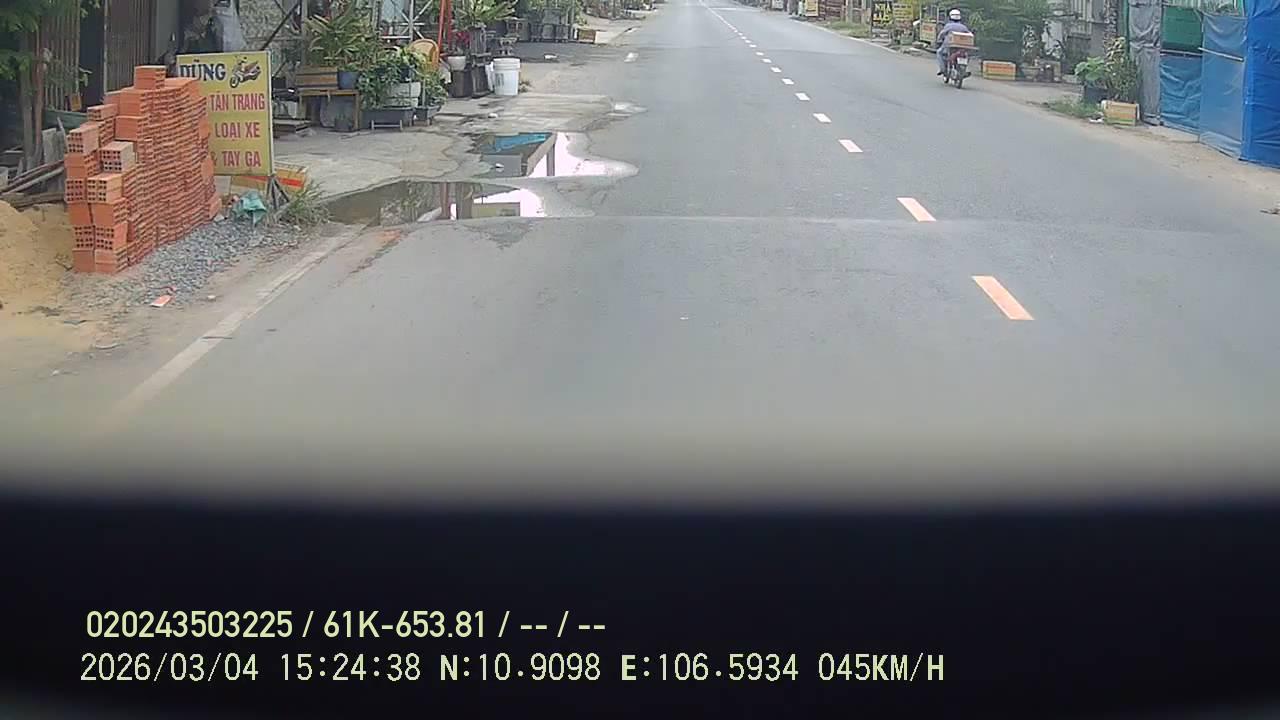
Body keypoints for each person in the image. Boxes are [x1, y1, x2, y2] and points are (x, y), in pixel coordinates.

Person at [936, 8, 971, 76]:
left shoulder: (948, 26)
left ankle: (943, 69)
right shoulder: (963, 27)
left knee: (939, 52)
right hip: (962, 46)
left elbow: (942, 34)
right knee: (966, 55)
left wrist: (938, 40)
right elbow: (969, 35)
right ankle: (964, 70)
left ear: (950, 17)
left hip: (949, 46)